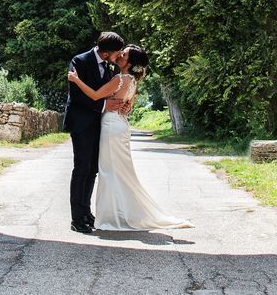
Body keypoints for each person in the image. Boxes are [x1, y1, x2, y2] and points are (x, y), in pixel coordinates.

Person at [68, 44, 192, 231]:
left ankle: (112, 216)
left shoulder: (119, 78)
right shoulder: (133, 80)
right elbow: (129, 104)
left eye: (123, 54)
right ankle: (114, 213)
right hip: (120, 125)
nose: (119, 55)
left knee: (109, 172)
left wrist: (76, 80)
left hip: (111, 127)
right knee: (119, 172)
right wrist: (127, 106)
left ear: (130, 62)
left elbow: (95, 95)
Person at [64, 32, 132, 234]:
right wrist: (103, 105)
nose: (119, 55)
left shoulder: (110, 65)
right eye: (117, 52)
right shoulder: (80, 61)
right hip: (82, 123)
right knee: (82, 167)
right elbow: (76, 96)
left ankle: (86, 213)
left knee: (93, 168)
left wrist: (123, 103)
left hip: (99, 124)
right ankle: (76, 218)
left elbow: (110, 91)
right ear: (106, 52)